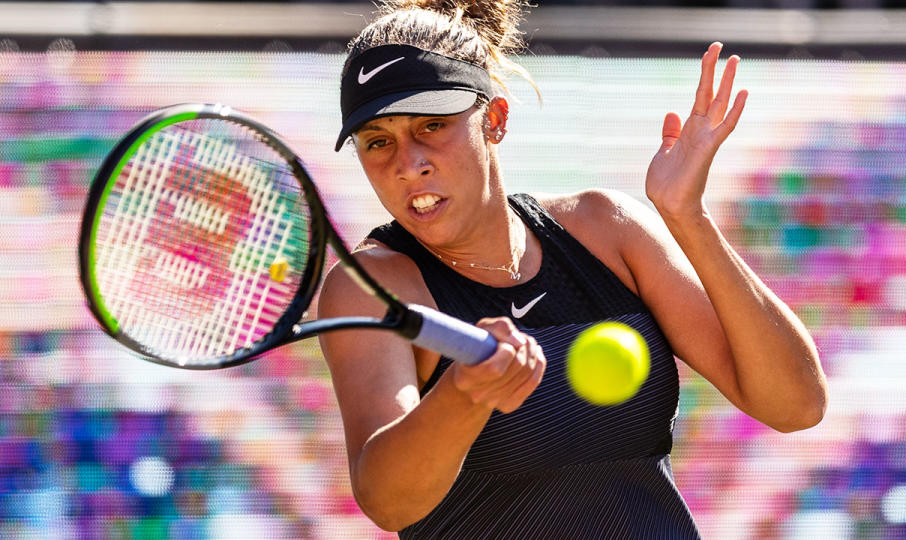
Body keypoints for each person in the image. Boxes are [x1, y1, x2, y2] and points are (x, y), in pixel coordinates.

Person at [317, 0, 828, 537]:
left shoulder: (609, 229)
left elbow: (796, 405)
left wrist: (687, 216)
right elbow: (389, 503)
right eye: (378, 141)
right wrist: (464, 395)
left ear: (493, 119)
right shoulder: (369, 289)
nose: (408, 162)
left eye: (432, 125)